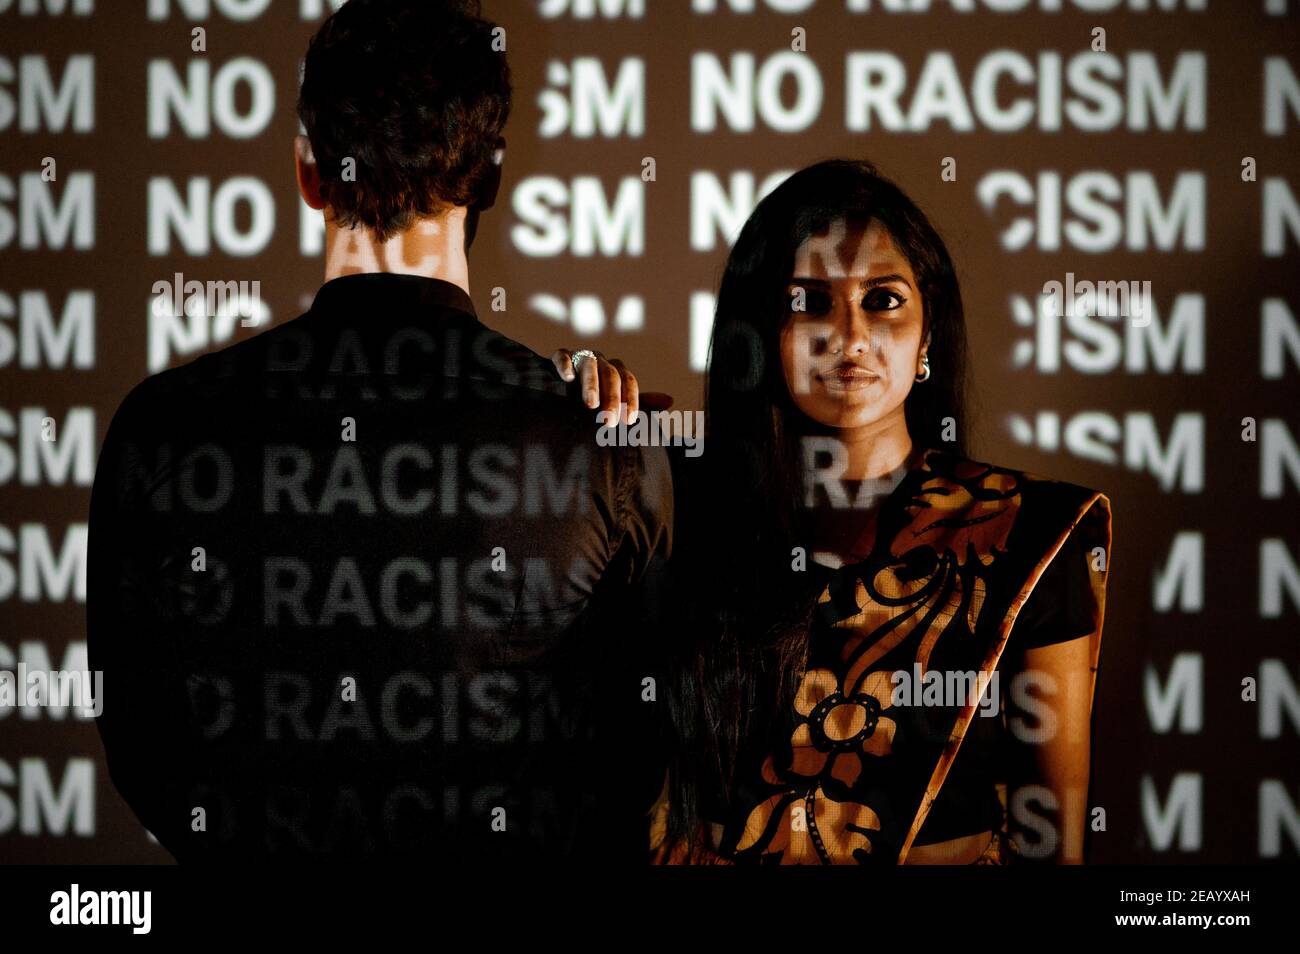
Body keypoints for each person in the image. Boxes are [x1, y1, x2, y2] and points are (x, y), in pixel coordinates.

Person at [86, 0, 672, 861]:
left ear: (309, 175)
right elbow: (638, 756)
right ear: (490, 179)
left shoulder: (165, 428)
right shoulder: (600, 442)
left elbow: (144, 745)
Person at [556, 158, 1112, 865]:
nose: (850, 336)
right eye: (809, 301)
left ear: (928, 336)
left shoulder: (1028, 532)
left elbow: (1054, 840)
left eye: (882, 300)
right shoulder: (681, 502)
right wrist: (564, 409)